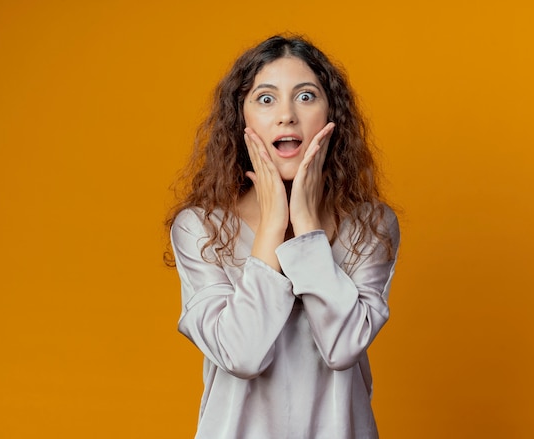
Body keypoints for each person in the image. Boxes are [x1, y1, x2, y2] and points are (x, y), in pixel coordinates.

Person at [166, 34, 400, 439]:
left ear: (333, 116)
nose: (287, 116)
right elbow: (242, 354)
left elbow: (343, 347)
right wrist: (274, 223)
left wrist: (306, 223)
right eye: (266, 98)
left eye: (306, 96)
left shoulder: (372, 225)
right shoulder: (199, 227)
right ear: (241, 119)